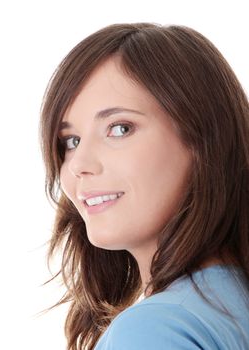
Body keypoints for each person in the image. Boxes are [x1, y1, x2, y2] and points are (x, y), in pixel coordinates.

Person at [38, 23, 249, 350]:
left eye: (119, 128)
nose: (79, 164)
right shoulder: (232, 303)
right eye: (71, 141)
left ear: (204, 141)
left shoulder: (154, 328)